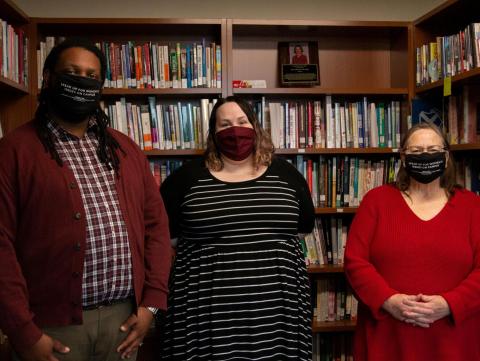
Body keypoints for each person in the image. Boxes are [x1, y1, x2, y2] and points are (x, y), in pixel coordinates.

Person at [0, 38, 172, 361]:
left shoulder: (125, 149)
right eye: (72, 72)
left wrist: (151, 304)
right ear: (48, 78)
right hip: (50, 327)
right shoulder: (14, 151)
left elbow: (157, 229)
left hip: (123, 322)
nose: (82, 81)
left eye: (91, 76)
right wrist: (24, 332)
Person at [159, 96, 315, 360]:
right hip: (205, 312)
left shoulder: (287, 174)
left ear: (255, 126)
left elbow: (302, 228)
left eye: (242, 121)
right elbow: (167, 238)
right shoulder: (184, 179)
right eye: (225, 124)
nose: (235, 130)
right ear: (213, 133)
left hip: (277, 311)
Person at [344, 122, 480, 361]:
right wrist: (389, 301)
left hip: (454, 339)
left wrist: (450, 304)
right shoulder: (376, 201)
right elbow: (355, 262)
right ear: (404, 159)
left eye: (432, 150)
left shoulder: (471, 206)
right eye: (416, 152)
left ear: (446, 158)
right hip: (387, 335)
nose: (425, 156)